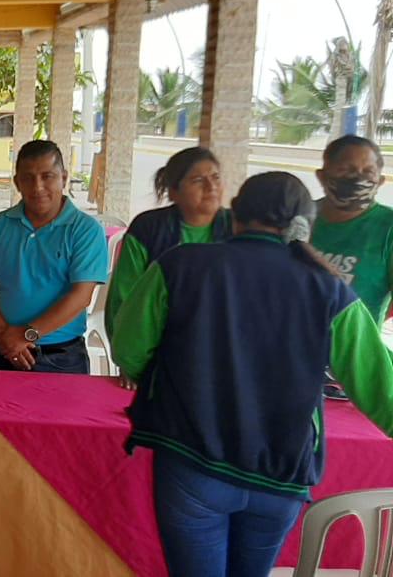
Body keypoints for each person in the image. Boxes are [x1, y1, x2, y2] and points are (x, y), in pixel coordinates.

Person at [111, 172, 393, 577]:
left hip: (193, 463)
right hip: (280, 474)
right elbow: (382, 391)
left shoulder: (179, 265)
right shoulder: (331, 290)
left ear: (235, 214)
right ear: (305, 225)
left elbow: (129, 351)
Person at [0, 140, 108, 374]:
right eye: (28, 178)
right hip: (4, 350)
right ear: (17, 182)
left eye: (47, 176)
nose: (38, 187)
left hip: (62, 358)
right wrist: (5, 335)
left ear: (64, 178)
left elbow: (81, 296)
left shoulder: (85, 230)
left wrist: (26, 335)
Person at [105, 147, 233, 339]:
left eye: (216, 177)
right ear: (173, 192)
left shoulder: (236, 226)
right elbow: (122, 299)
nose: (211, 186)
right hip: (158, 343)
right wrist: (124, 349)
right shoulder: (148, 229)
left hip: (221, 341)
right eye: (197, 180)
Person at [311, 135, 393, 318]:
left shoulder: (388, 227)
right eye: (346, 170)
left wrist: (366, 326)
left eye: (368, 172)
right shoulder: (299, 218)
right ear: (322, 177)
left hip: (353, 336)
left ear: (380, 181)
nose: (357, 178)